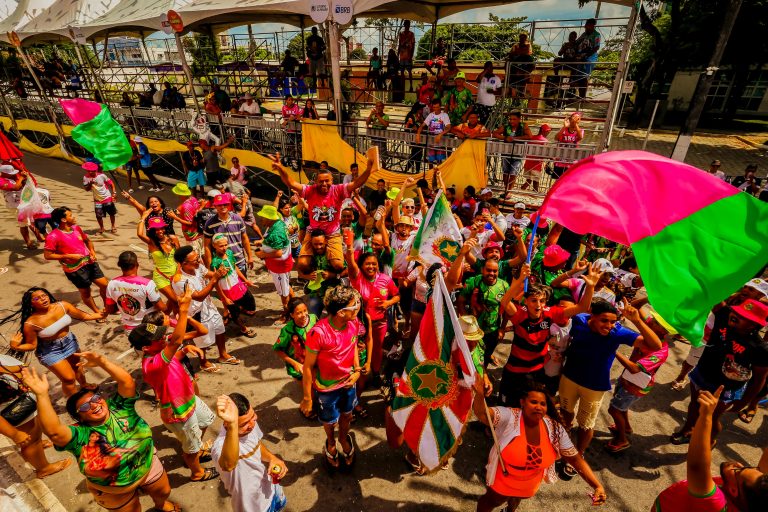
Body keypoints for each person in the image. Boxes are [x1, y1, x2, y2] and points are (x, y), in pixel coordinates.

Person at [22, 351, 181, 512]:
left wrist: (101, 361)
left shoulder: (120, 407)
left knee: (164, 492)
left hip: (148, 466)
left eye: (95, 398)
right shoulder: (80, 434)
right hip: (115, 492)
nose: (94, 404)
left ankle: (161, 506)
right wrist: (41, 394)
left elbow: (127, 382)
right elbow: (54, 432)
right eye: (85, 407)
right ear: (80, 417)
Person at [558, 298, 662, 471]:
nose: (609, 325)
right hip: (569, 378)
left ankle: (579, 454)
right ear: (592, 316)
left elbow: (655, 345)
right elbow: (565, 309)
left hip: (594, 387)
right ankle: (564, 436)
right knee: (565, 413)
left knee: (586, 424)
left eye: (613, 321)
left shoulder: (618, 333)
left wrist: (636, 320)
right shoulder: (579, 320)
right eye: (604, 320)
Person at [129, 287, 219, 483]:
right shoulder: (152, 364)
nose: (163, 337)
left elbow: (175, 353)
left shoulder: (159, 355)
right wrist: (184, 308)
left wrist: (185, 349)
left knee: (205, 422)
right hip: (179, 413)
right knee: (191, 448)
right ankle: (196, 471)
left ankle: (195, 448)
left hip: (189, 400)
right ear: (145, 347)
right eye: (158, 337)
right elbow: (176, 339)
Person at [473, 383, 607, 511]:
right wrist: (479, 393)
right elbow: (482, 413)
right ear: (522, 403)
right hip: (502, 481)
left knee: (517, 499)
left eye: (542, 404)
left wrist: (597, 485)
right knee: (491, 502)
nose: (538, 407)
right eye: (533, 402)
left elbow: (576, 460)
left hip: (530, 485)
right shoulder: (510, 416)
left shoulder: (555, 429)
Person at [670, 299, 768, 445]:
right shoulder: (723, 315)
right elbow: (712, 291)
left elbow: (760, 379)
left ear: (754, 325)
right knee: (694, 405)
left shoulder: (759, 349)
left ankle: (710, 440)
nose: (735, 316)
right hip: (702, 373)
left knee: (710, 417)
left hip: (725, 388)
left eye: (744, 317)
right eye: (737, 312)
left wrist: (744, 402)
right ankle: (687, 430)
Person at [498, 264, 599, 406]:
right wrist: (521, 278)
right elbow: (505, 301)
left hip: (536, 370)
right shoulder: (520, 314)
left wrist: (590, 286)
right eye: (534, 300)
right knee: (506, 403)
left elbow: (581, 308)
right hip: (514, 369)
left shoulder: (550, 313)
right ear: (526, 301)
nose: (538, 305)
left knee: (527, 405)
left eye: (542, 301)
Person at [655, 386, 768, 511]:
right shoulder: (757, 495)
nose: (739, 463)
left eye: (738, 470)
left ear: (733, 490)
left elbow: (696, 466)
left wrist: (706, 415)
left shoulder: (717, 505)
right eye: (755, 468)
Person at [274, 153, 372, 275]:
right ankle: (313, 274)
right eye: (321, 181)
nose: (324, 184)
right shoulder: (310, 190)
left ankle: (330, 276)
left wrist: (368, 169)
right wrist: (280, 167)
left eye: (327, 181)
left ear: (332, 180)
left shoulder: (338, 190)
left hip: (332, 234)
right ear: (316, 181)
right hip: (313, 232)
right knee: (302, 265)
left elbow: (356, 184)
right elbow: (292, 183)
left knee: (338, 265)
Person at [301, 285, 361, 469]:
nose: (358, 306)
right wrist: (307, 398)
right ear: (342, 312)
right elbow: (308, 366)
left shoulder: (354, 323)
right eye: (355, 304)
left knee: (347, 415)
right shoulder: (318, 333)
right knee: (329, 421)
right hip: (327, 390)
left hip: (349, 384)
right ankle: (330, 442)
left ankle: (343, 438)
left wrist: (357, 370)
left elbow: (354, 344)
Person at [3, 287, 102, 397]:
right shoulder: (30, 323)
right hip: (50, 351)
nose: (43, 299)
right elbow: (32, 345)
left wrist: (103, 314)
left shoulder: (63, 306)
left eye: (44, 295)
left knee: (77, 367)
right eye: (37, 298)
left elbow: (84, 316)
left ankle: (84, 385)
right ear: (31, 304)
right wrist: (16, 346)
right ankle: (75, 402)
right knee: (69, 379)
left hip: (69, 342)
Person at [606, 309, 671, 453]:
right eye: (653, 320)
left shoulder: (661, 351)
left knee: (614, 409)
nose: (651, 321)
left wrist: (613, 350)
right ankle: (626, 427)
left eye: (656, 322)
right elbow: (634, 310)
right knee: (621, 407)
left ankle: (622, 440)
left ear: (663, 331)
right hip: (628, 379)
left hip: (635, 385)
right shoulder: (650, 331)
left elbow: (635, 369)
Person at [212, 393, 288, 512]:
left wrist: (272, 458)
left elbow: (256, 444)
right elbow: (228, 465)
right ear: (227, 423)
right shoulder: (220, 447)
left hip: (273, 490)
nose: (252, 424)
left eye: (253, 416)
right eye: (244, 424)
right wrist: (233, 424)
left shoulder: (249, 424)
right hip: (254, 507)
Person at [0, 354, 73, 478]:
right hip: (14, 408)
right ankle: (43, 468)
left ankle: (37, 444)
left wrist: (16, 368)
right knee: (30, 441)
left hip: (22, 399)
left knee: (35, 432)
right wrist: (14, 434)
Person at [172, 245, 240, 370]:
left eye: (198, 258)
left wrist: (219, 273)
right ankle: (203, 362)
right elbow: (198, 297)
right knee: (201, 340)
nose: (199, 261)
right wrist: (215, 279)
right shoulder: (180, 280)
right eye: (195, 260)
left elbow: (209, 274)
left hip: (209, 307)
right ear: (184, 263)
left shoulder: (197, 267)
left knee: (220, 329)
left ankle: (223, 355)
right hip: (196, 313)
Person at [345, 240, 399, 376]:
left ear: (378, 265)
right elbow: (351, 264)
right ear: (361, 266)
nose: (371, 267)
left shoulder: (386, 279)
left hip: (380, 322)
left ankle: (375, 373)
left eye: (374, 264)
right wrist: (349, 247)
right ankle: (356, 374)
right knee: (357, 348)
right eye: (367, 264)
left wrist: (388, 303)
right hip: (358, 323)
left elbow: (397, 295)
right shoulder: (357, 277)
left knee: (376, 349)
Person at [44, 207, 109, 315]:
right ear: (63, 220)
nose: (73, 217)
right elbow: (47, 255)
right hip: (74, 270)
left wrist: (92, 252)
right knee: (86, 292)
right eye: (70, 215)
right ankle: (97, 312)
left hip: (90, 263)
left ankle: (107, 307)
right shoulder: (53, 236)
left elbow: (87, 241)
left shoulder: (77, 228)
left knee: (105, 285)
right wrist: (69, 256)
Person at [105, 251, 167, 332]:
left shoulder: (111, 284)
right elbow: (161, 307)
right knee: (154, 340)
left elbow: (110, 310)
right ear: (137, 265)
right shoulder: (147, 284)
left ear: (119, 265)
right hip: (149, 326)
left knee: (137, 343)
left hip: (129, 327)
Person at [209, 233, 258, 336]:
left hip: (238, 284)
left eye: (226, 245)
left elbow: (235, 267)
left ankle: (237, 310)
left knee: (251, 304)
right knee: (235, 313)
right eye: (221, 246)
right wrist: (224, 298)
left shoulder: (230, 253)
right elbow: (216, 283)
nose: (224, 248)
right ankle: (243, 329)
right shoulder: (215, 262)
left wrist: (245, 280)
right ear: (214, 246)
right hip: (227, 291)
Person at [273, 297, 318, 390]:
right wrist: (294, 364)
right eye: (299, 313)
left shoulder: (313, 318)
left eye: (305, 310)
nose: (304, 315)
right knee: (307, 388)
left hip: (314, 360)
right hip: (299, 366)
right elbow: (277, 350)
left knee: (315, 384)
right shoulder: (287, 331)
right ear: (292, 315)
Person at [203, 193, 253, 274]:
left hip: (239, 262)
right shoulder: (210, 223)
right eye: (219, 205)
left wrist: (250, 257)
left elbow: (245, 238)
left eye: (225, 204)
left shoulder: (238, 218)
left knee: (242, 286)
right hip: (222, 265)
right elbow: (207, 246)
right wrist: (209, 267)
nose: (223, 207)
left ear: (229, 205)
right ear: (215, 206)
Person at [137, 214, 180, 303]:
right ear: (152, 231)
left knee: (173, 303)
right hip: (161, 277)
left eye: (161, 228)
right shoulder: (151, 242)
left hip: (176, 276)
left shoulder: (173, 238)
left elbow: (180, 258)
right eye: (156, 229)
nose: (160, 231)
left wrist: (178, 273)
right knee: (176, 301)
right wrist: (143, 218)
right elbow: (139, 234)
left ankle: (166, 316)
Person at [493, 112, 532, 197]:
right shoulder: (506, 126)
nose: (511, 121)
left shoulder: (523, 126)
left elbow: (529, 136)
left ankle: (510, 190)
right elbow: (495, 133)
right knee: (505, 172)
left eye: (514, 119)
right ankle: (506, 189)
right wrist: (505, 138)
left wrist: (514, 138)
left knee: (513, 172)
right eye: (510, 119)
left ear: (519, 119)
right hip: (506, 152)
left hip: (518, 153)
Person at [82, 162, 117, 235]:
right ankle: (102, 228)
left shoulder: (102, 176)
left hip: (107, 197)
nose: (90, 172)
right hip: (97, 200)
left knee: (111, 213)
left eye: (92, 171)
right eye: (89, 171)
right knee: (98, 216)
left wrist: (114, 193)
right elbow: (87, 189)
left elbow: (111, 183)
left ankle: (113, 226)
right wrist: (90, 184)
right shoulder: (85, 178)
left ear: (95, 170)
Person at [416, 98, 452, 165]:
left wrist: (441, 134)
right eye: (434, 107)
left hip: (441, 143)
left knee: (440, 162)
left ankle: (438, 175)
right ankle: (430, 175)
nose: (436, 109)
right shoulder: (430, 115)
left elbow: (448, 127)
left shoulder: (444, 115)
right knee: (430, 162)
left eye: (437, 107)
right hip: (431, 142)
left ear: (440, 106)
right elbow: (422, 125)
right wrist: (418, 133)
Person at [573, 19, 601, 100]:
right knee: (578, 76)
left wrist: (586, 55)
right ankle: (580, 95)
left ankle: (582, 96)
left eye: (587, 25)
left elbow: (597, 47)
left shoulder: (596, 35)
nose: (585, 26)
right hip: (581, 57)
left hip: (590, 57)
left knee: (584, 76)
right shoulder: (584, 34)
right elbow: (577, 42)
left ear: (592, 26)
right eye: (586, 25)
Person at [552, 112, 584, 179]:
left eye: (578, 118)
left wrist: (575, 124)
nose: (575, 119)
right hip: (560, 161)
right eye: (574, 118)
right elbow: (556, 138)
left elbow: (580, 137)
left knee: (569, 179)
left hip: (571, 162)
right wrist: (564, 127)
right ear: (570, 119)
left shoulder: (579, 130)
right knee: (558, 180)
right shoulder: (564, 129)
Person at [397, 20, 416, 92]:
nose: (407, 26)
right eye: (406, 25)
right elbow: (399, 44)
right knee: (402, 72)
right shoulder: (401, 34)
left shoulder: (411, 34)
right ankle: (402, 86)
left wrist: (411, 56)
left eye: (408, 25)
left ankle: (411, 86)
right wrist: (398, 55)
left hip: (408, 56)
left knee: (409, 71)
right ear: (404, 25)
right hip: (402, 56)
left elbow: (413, 45)